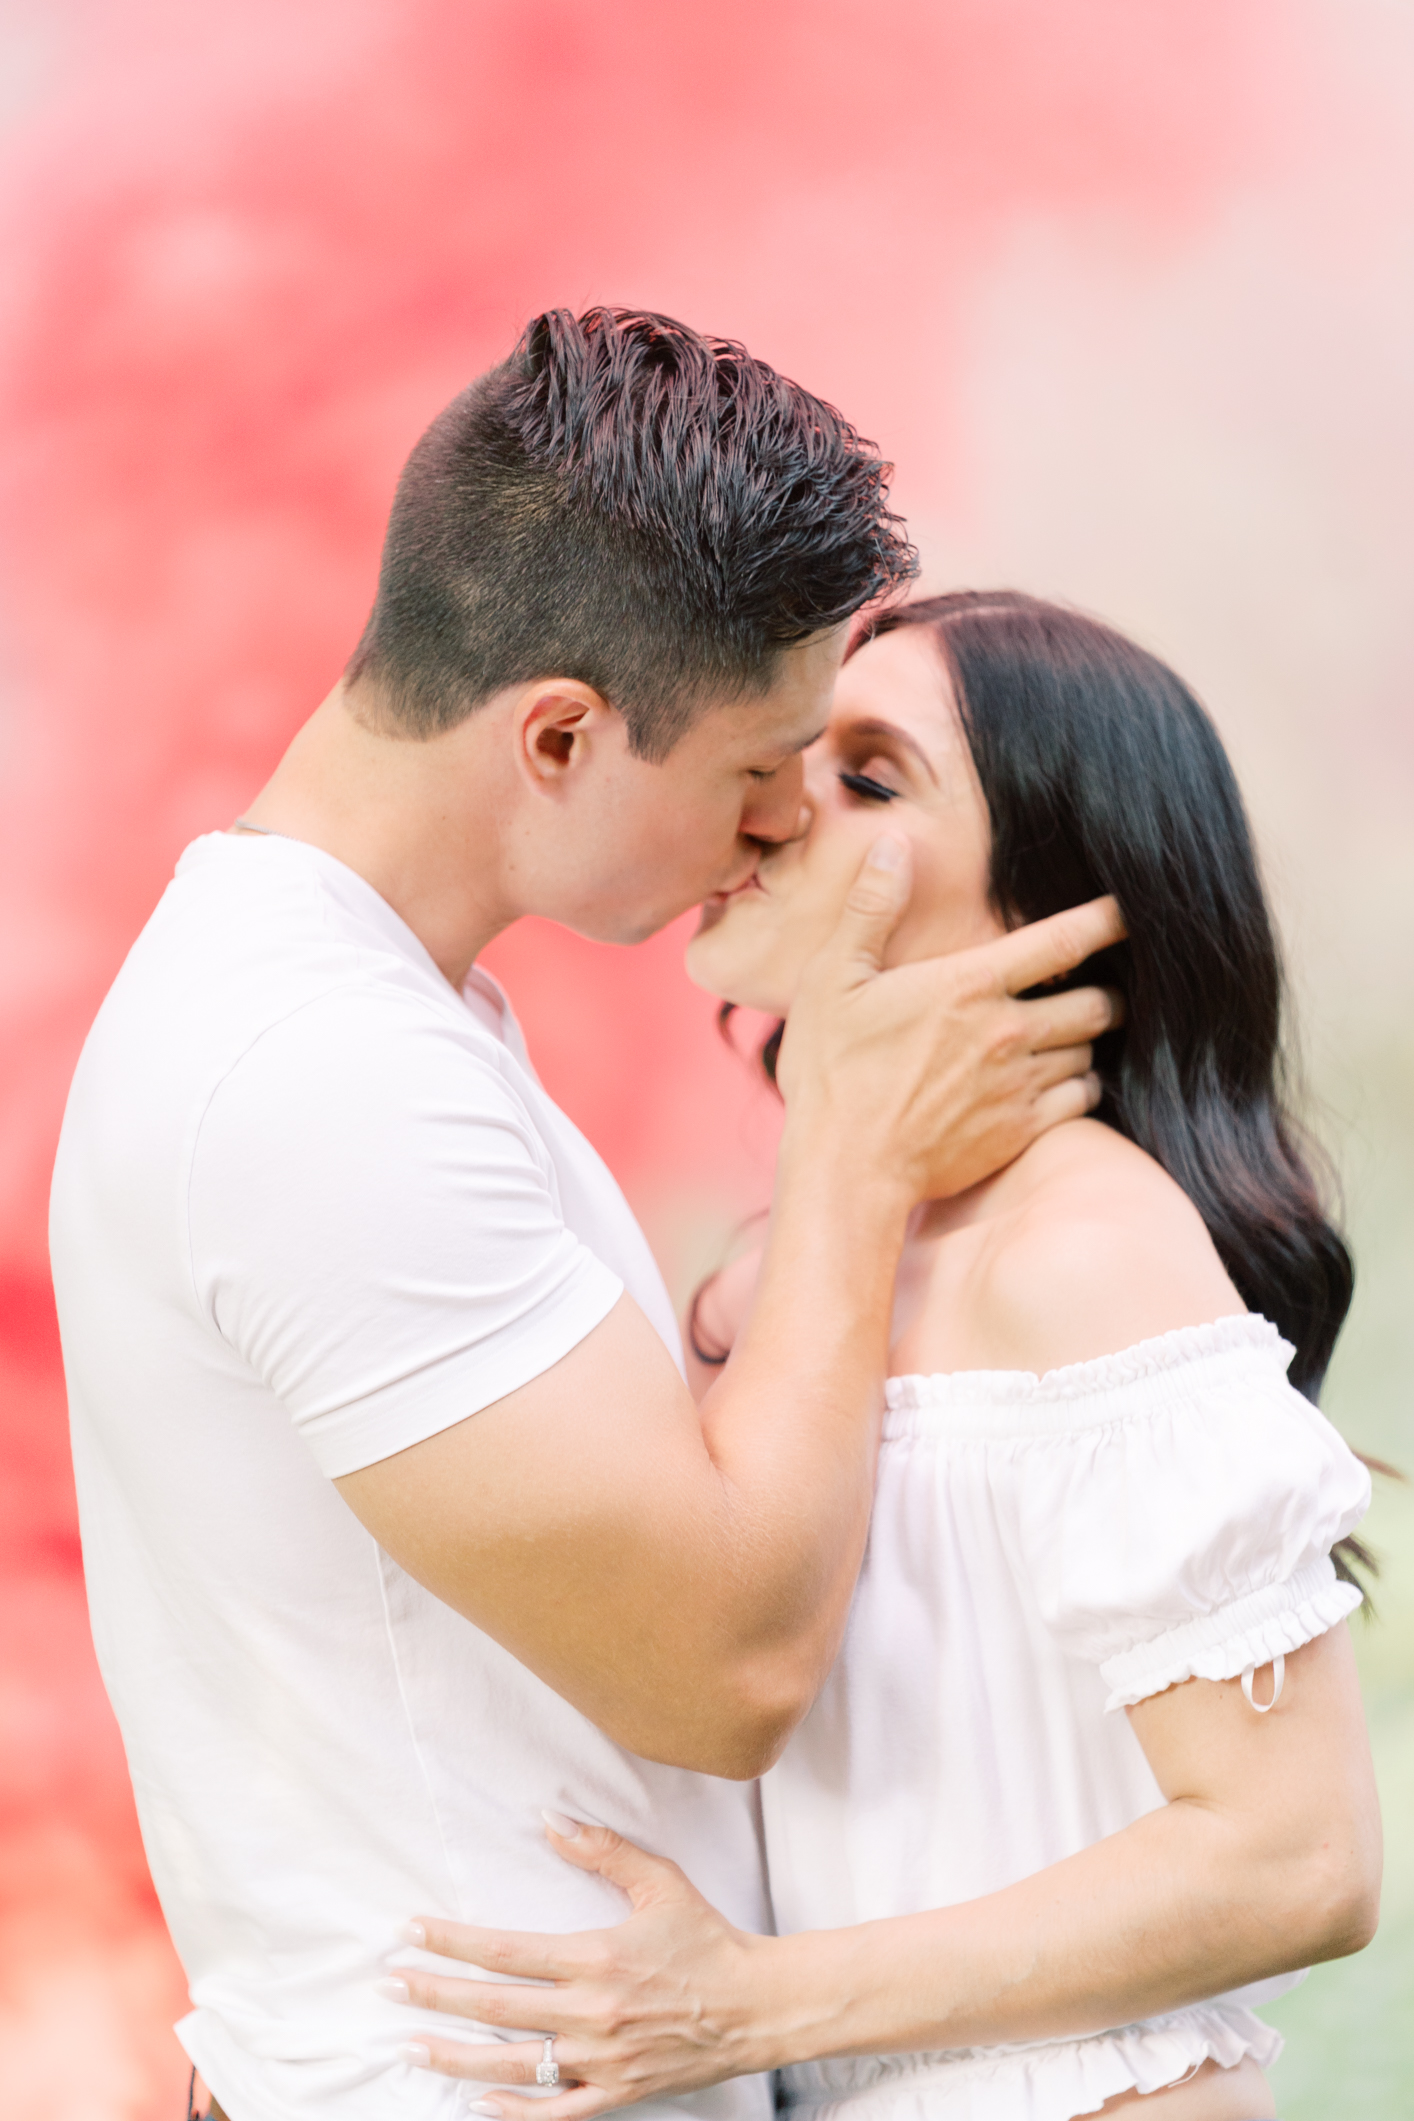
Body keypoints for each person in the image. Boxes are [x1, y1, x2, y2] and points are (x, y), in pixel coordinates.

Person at [49, 320, 1122, 2121]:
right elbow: (723, 1667)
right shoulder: (316, 1072)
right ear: (558, 733)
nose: (783, 820)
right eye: (756, 765)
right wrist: (854, 1155)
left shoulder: (383, 1012)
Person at [386, 595, 1381, 2121]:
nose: (776, 809)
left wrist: (740, 2007)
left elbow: (1298, 1856)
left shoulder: (1082, 1249)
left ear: (1045, 902)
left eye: (868, 775)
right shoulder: (791, 1263)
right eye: (793, 753)